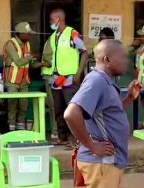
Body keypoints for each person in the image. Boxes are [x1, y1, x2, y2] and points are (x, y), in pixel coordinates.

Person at [64, 39, 140, 187]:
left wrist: (130, 98)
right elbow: (71, 114)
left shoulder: (107, 81)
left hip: (108, 161)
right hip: (101, 163)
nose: (126, 61)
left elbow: (107, 115)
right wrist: (93, 146)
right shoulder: (97, 80)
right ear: (107, 59)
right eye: (122, 57)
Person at [42, 8, 88, 149]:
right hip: (57, 79)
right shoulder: (54, 36)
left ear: (58, 19)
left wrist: (79, 73)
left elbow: (84, 52)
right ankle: (62, 137)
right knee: (58, 109)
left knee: (72, 110)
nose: (50, 22)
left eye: (51, 19)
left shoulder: (72, 34)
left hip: (70, 78)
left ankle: (76, 139)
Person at [3, 22, 35, 131]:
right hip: (12, 79)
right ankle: (11, 129)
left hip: (24, 79)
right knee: (12, 105)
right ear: (21, 34)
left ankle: (20, 129)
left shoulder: (27, 44)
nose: (29, 36)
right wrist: (32, 57)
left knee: (23, 105)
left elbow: (28, 62)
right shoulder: (10, 44)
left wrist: (41, 63)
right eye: (28, 34)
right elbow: (19, 62)